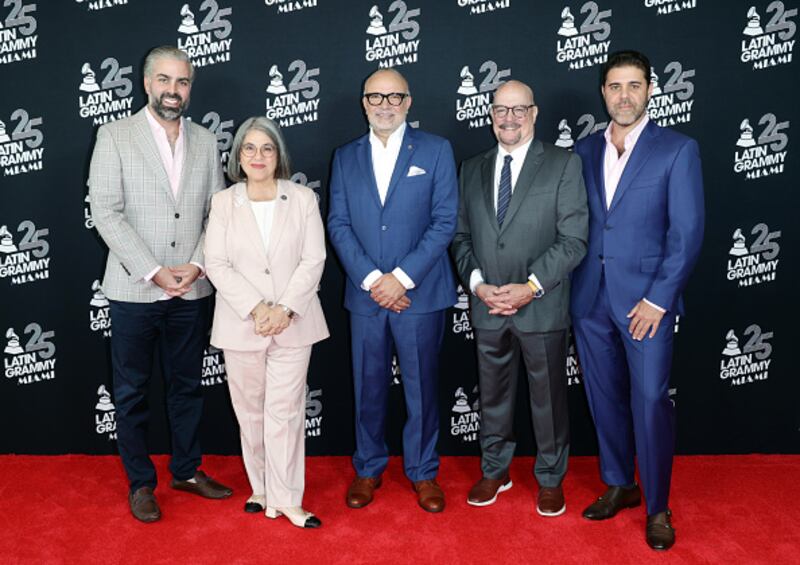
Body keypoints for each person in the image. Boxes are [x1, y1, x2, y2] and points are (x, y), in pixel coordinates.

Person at [88, 45, 231, 523]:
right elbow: (105, 212)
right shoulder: (114, 136)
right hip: (134, 289)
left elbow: (218, 213)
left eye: (183, 82)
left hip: (191, 288)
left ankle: (187, 471)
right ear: (146, 83)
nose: (174, 91)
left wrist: (195, 264)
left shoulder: (208, 140)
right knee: (130, 393)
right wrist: (152, 269)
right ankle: (141, 483)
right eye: (165, 81)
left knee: (187, 387)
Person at [571, 50, 704, 550]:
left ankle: (659, 505)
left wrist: (659, 298)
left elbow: (687, 233)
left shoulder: (676, 149)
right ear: (603, 92)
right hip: (590, 299)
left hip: (647, 304)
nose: (623, 95)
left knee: (649, 401)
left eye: (633, 85)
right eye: (614, 86)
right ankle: (620, 485)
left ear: (650, 89)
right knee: (603, 399)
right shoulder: (582, 151)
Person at [451, 80, 588, 516]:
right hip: (487, 305)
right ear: (490, 115)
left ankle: (550, 477)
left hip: (541, 305)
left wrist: (529, 288)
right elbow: (460, 237)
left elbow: (573, 240)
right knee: (491, 396)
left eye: (518, 110)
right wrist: (477, 284)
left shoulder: (564, 165)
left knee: (548, 399)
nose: (508, 118)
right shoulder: (471, 168)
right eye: (500, 110)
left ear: (533, 113)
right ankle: (495, 470)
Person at [327, 68, 458, 513]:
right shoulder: (344, 157)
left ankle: (423, 472)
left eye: (394, 96)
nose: (385, 104)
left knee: (422, 388)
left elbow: (444, 222)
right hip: (365, 296)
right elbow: (339, 224)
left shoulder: (437, 151)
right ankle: (368, 468)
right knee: (368, 386)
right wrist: (371, 281)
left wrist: (399, 279)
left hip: (419, 294)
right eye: (375, 96)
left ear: (408, 101)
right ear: (364, 102)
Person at [204, 116, 329, 529]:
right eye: (249, 149)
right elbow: (216, 264)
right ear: (238, 156)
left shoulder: (302, 199)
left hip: (294, 322)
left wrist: (284, 309)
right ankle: (261, 488)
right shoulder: (224, 202)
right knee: (251, 412)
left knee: (285, 411)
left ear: (279, 155)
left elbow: (314, 260)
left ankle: (288, 498)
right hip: (242, 323)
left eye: (267, 148)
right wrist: (258, 308)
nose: (258, 157)